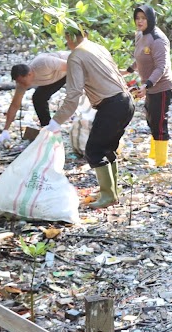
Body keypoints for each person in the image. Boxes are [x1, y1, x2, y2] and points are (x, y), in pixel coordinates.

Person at [45, 25, 134, 209]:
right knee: (108, 149)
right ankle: (109, 191)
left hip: (112, 105)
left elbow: (73, 95)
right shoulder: (97, 47)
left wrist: (55, 122)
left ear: (70, 36)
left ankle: (109, 196)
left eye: (66, 37)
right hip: (126, 102)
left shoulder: (76, 55)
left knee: (94, 150)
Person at [124, 5, 172, 167]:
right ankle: (154, 154)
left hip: (161, 87)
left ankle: (161, 162)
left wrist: (147, 85)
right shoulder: (140, 35)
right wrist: (128, 70)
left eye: (143, 18)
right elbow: (140, 57)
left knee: (160, 121)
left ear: (151, 19)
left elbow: (161, 67)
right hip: (149, 86)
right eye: (137, 18)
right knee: (151, 119)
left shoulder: (158, 39)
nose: (139, 21)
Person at [0, 51, 69, 143]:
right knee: (38, 98)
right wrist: (5, 130)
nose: (21, 84)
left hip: (68, 69)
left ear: (29, 74)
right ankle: (48, 128)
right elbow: (15, 105)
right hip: (52, 78)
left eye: (22, 82)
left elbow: (73, 65)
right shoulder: (21, 84)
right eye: (19, 82)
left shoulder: (44, 63)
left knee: (73, 97)